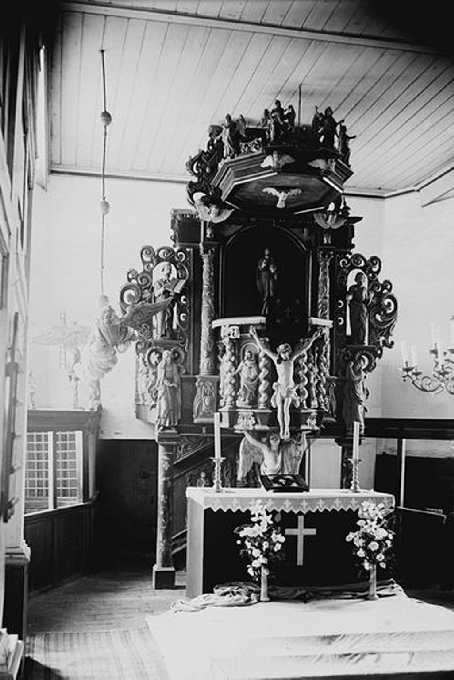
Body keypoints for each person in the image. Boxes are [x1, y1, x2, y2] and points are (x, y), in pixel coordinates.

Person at [250, 327, 323, 439]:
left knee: (285, 409)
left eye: (288, 353)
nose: (287, 355)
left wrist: (313, 338)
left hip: (289, 388)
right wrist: (255, 336)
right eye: (284, 353)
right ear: (280, 353)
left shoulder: (291, 360)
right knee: (280, 408)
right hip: (280, 388)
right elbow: (264, 349)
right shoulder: (276, 360)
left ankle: (286, 429)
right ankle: (282, 429)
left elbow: (303, 348)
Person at [342, 356, 369, 434]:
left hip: (358, 395)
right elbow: (349, 378)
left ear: (361, 365)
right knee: (350, 411)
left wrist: (349, 368)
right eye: (356, 364)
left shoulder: (361, 373)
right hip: (352, 394)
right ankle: (351, 427)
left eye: (358, 364)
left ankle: (360, 427)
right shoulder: (354, 371)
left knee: (357, 411)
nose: (356, 365)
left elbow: (353, 378)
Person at [154, 262, 180, 338]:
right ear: (163, 270)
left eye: (170, 270)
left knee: (169, 319)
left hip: (169, 304)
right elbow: (156, 294)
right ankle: (160, 335)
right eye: (168, 269)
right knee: (161, 320)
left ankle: (168, 335)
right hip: (161, 305)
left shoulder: (171, 282)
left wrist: (174, 293)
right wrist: (162, 289)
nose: (169, 272)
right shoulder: (158, 282)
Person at [156, 350, 181, 429]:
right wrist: (169, 384)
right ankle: (162, 424)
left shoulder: (174, 366)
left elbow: (176, 376)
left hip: (172, 389)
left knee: (172, 406)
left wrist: (175, 383)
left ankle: (171, 424)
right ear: (164, 358)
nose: (169, 359)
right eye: (167, 357)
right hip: (164, 388)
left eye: (170, 357)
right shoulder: (161, 366)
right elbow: (161, 379)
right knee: (165, 406)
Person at [347, 271, 369, 345]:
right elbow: (350, 295)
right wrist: (349, 297)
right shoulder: (353, 288)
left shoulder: (364, 289)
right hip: (354, 307)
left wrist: (370, 297)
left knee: (362, 325)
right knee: (355, 324)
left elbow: (366, 300)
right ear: (356, 279)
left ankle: (362, 340)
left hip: (362, 308)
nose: (360, 280)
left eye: (362, 278)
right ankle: (355, 340)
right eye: (359, 278)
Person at [256, 248, 278, 316]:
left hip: (270, 277)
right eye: (266, 251)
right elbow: (260, 268)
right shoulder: (262, 260)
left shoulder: (272, 259)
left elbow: (274, 269)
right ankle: (264, 310)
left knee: (271, 293)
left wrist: (273, 271)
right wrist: (263, 264)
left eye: (268, 251)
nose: (267, 252)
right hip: (264, 277)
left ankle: (266, 310)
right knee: (266, 293)